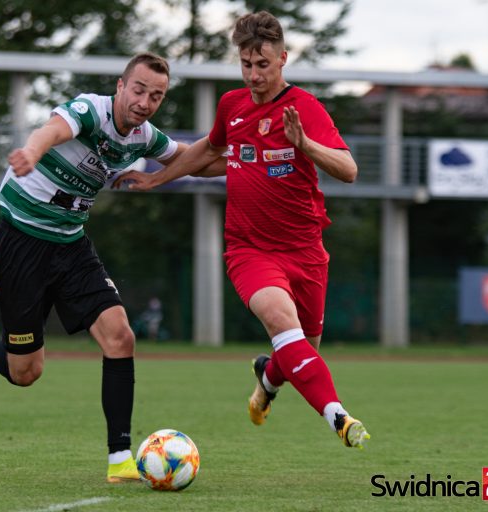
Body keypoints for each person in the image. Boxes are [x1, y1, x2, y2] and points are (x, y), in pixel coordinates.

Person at [115, 12, 370, 448]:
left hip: (306, 251)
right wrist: (157, 178)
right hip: (250, 250)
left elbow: (348, 170)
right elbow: (207, 152)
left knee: (301, 351)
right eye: (246, 64)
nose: (254, 75)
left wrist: (304, 144)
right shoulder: (232, 105)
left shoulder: (305, 108)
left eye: (263, 65)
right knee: (280, 322)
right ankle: (339, 417)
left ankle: (266, 381)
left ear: (283, 59)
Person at [0, 52, 198, 482]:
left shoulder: (144, 137)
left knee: (121, 336)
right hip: (22, 243)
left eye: (156, 96)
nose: (145, 101)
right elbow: (53, 129)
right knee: (26, 372)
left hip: (71, 245)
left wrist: (242, 162)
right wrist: (30, 150)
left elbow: (191, 157)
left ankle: (120, 457)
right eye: (138, 90)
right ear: (120, 86)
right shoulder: (90, 110)